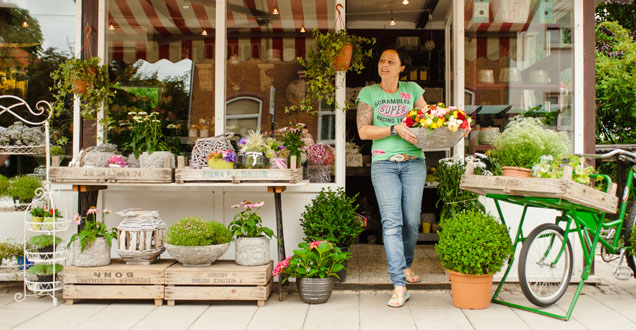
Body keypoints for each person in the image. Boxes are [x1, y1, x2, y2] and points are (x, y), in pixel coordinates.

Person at [356, 47, 427, 308]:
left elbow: (428, 121)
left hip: (414, 162)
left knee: (411, 221)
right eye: (381, 60)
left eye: (390, 61)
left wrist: (455, 125)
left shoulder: (412, 90)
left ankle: (406, 265)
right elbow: (363, 131)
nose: (384, 65)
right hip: (384, 163)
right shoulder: (368, 93)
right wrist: (394, 129)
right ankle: (399, 284)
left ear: (401, 68)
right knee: (392, 223)